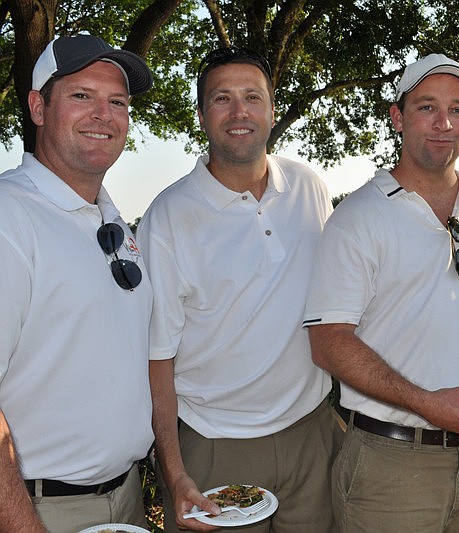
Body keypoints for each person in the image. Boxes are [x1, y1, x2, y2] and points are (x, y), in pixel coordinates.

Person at [303, 53, 459, 533]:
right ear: (398, 118)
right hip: (391, 465)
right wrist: (426, 403)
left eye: (458, 109)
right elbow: (328, 342)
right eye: (427, 107)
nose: (444, 123)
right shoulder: (357, 217)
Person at [136, 46, 341, 533]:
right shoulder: (167, 217)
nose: (239, 111)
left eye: (252, 96)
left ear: (271, 108)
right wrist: (175, 471)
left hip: (312, 432)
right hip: (214, 445)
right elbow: (156, 359)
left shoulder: (309, 187)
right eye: (222, 98)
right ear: (201, 114)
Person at [0, 34, 155, 532]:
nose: (103, 115)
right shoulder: (9, 218)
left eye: (118, 102)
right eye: (82, 96)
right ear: (38, 108)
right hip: (38, 510)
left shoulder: (111, 219)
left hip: (125, 498)